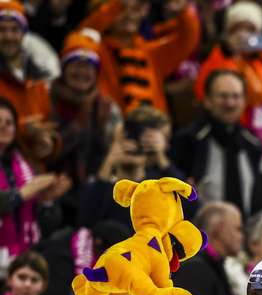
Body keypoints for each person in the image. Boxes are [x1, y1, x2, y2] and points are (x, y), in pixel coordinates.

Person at [195, 1, 262, 227]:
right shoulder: (222, 60)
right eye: (238, 29)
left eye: (251, 30)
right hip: (240, 151)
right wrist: (228, 51)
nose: (245, 35)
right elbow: (208, 87)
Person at [170, 69, 262, 220]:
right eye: (223, 96)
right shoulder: (187, 141)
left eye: (236, 96)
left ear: (244, 101)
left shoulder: (253, 144)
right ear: (207, 100)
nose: (230, 103)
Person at [80, 0, 200, 113]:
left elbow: (188, 39)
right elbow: (86, 31)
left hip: (154, 130)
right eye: (122, 10)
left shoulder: (152, 53)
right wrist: (118, 5)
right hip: (113, 129)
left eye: (134, 10)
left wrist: (184, 11)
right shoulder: (95, 49)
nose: (129, 15)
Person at [46, 28, 121, 201]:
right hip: (50, 188)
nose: (82, 72)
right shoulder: (45, 98)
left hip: (95, 190)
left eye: (88, 67)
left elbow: (113, 152)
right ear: (63, 68)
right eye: (76, 65)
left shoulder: (107, 107)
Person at [0, 98, 69, 275]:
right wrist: (26, 192)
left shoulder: (24, 162)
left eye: (9, 122)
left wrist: (47, 201)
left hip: (26, 258)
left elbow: (46, 226)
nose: (4, 127)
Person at [172, 202, 243, 295]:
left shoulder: (213, 266)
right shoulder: (195, 269)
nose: (241, 236)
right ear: (218, 229)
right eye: (238, 229)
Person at [0, 0, 56, 159]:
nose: (8, 36)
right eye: (2, 30)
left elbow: (50, 126)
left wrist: (49, 144)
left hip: (32, 170)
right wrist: (24, 130)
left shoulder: (38, 81)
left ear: (23, 33)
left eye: (14, 29)